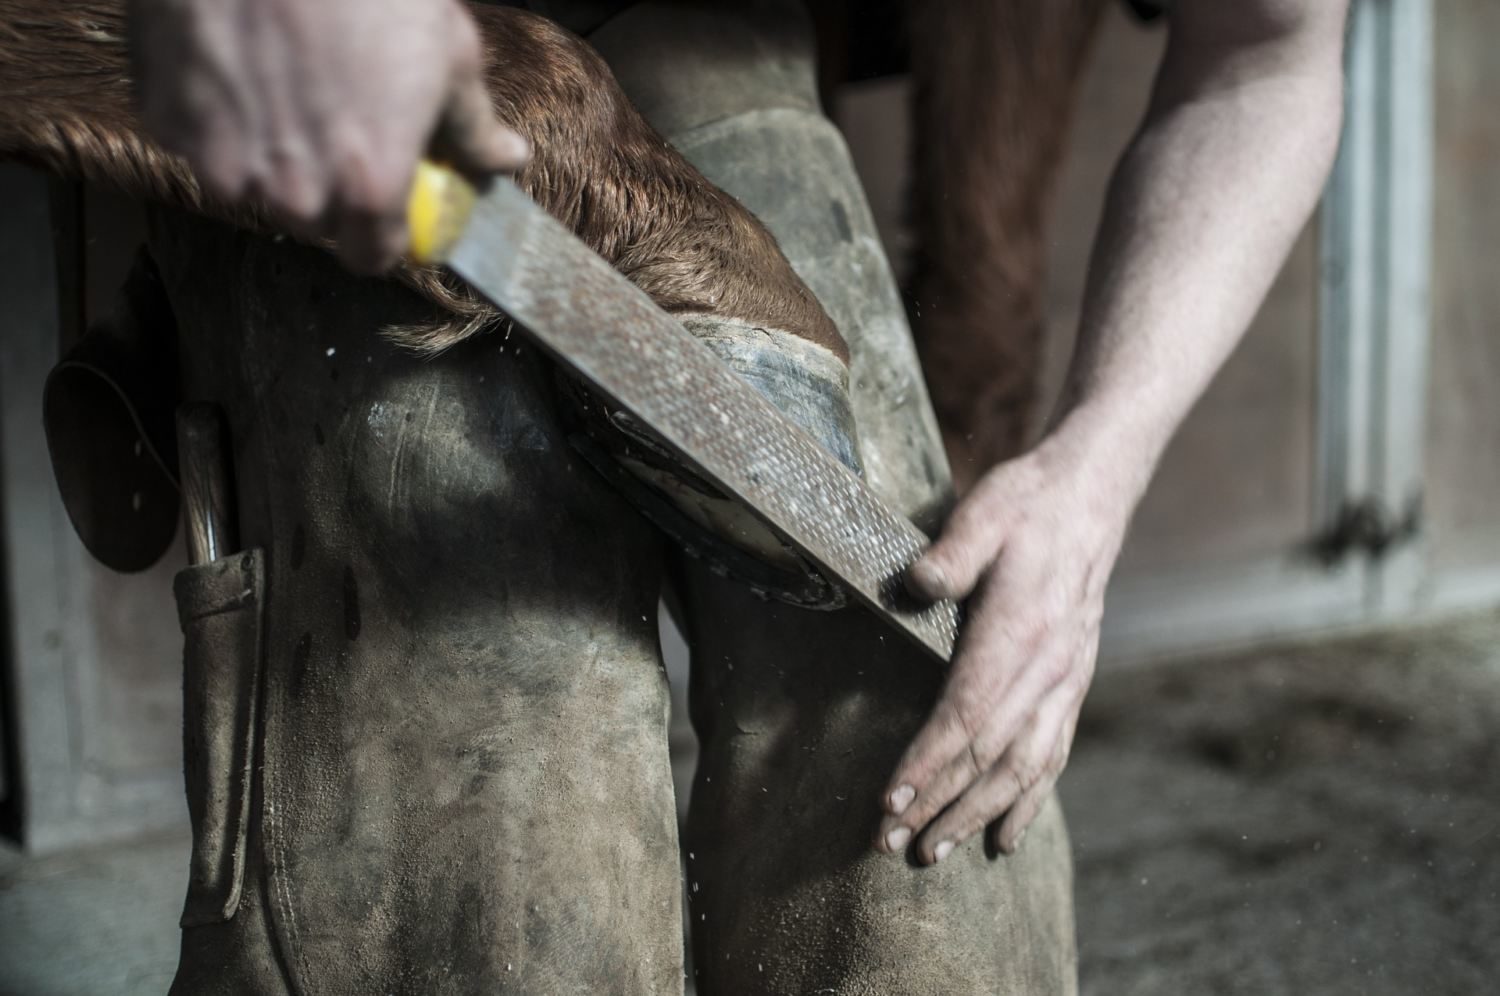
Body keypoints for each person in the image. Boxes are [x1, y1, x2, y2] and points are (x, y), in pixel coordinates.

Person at [122, 0, 1349, 986]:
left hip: (705, 35)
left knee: (928, 790)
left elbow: (1264, 60)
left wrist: (1098, 464)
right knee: (493, 858)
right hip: (337, 74)